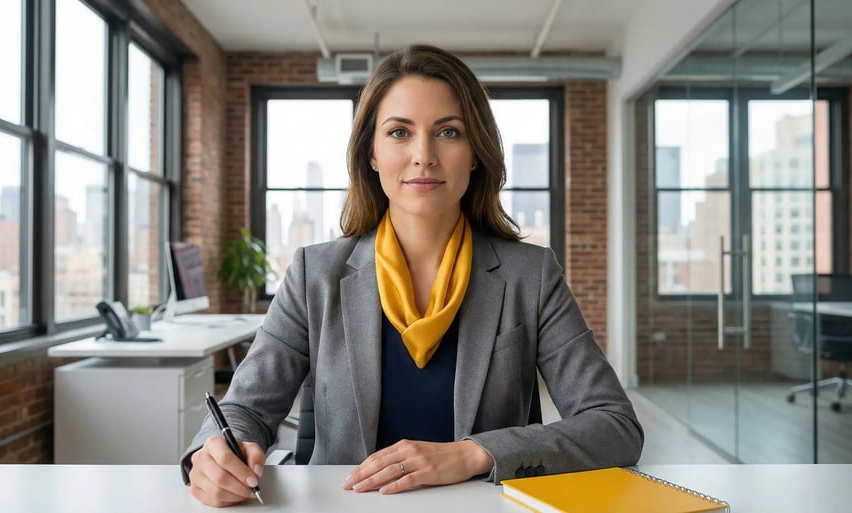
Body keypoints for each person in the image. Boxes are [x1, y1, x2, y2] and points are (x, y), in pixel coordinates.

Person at [181, 44, 643, 507]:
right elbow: (243, 409)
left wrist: (475, 453)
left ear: (476, 153)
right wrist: (214, 452)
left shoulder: (531, 275)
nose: (424, 155)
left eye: (448, 131)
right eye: (399, 132)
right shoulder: (313, 274)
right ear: (372, 155)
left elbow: (614, 424)